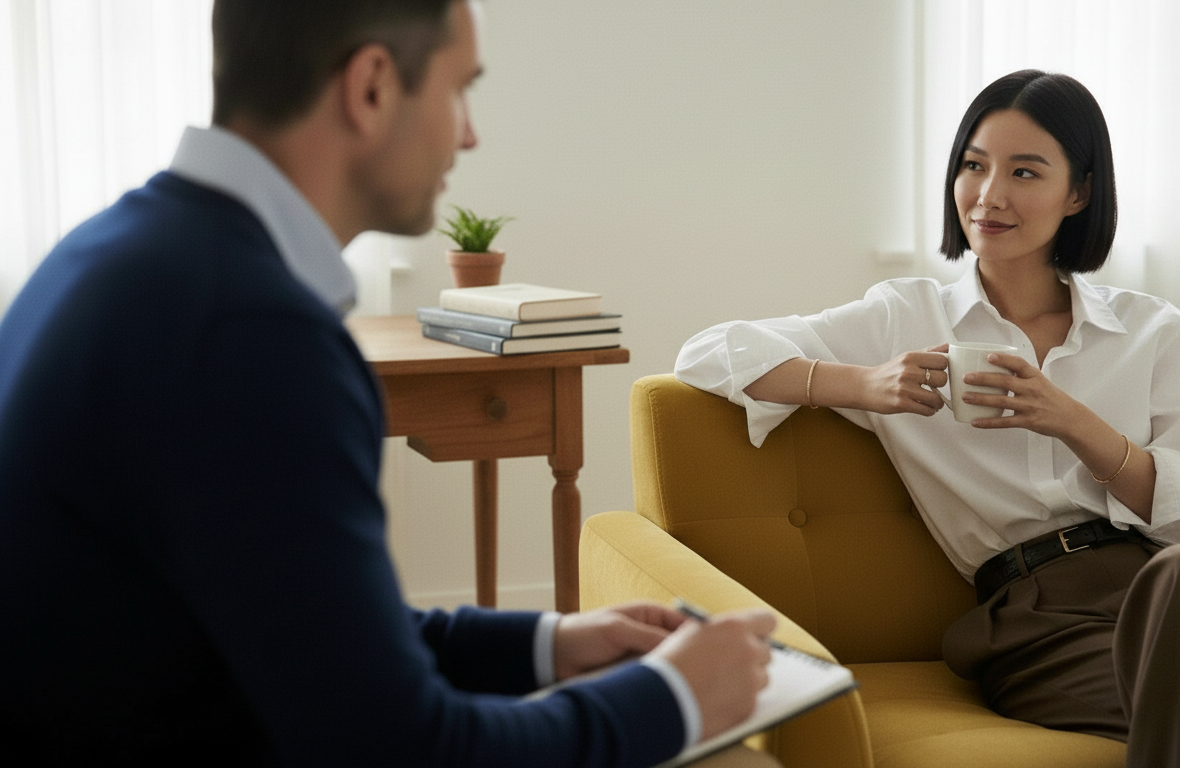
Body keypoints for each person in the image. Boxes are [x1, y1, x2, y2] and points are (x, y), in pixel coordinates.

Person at [0, 1, 781, 766]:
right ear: (371, 86)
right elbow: (405, 746)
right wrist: (676, 698)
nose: (469, 133)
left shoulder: (115, 256)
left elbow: (311, 629)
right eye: (458, 89)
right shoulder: (253, 334)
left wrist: (548, 645)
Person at [675, 69, 1180, 767]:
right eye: (973, 165)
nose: (989, 195)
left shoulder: (1154, 331)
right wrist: (860, 382)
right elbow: (708, 352)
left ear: (1078, 192)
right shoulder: (904, 317)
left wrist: (1073, 422)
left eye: (1025, 172)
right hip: (1043, 623)